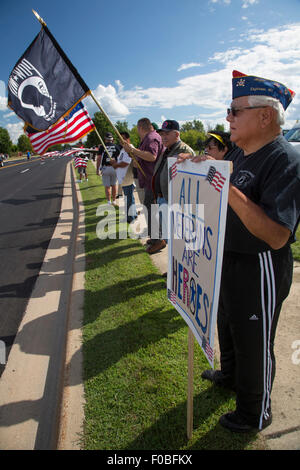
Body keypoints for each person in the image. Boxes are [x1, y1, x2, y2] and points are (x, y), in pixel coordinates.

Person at [195, 70, 300, 433]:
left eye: (235, 110)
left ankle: (256, 412)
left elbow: (276, 236)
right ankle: (230, 375)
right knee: (228, 323)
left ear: (265, 115)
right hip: (230, 259)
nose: (228, 118)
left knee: (254, 339)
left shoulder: (284, 159)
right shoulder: (240, 153)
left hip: (260, 266)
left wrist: (228, 190)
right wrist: (200, 172)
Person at [147, 119, 195, 254]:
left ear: (177, 134)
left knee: (176, 238)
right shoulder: (167, 150)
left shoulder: (184, 150)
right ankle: (168, 256)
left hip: (174, 201)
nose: (163, 137)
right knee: (169, 234)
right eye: (162, 134)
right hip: (163, 198)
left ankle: (174, 270)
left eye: (167, 134)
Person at [122, 118, 164, 239]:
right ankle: (154, 237)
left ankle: (157, 239)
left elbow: (152, 156)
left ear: (140, 128)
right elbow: (139, 161)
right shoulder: (146, 139)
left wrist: (133, 150)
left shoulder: (151, 138)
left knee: (151, 211)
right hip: (148, 180)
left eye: (137, 129)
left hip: (152, 180)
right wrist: (133, 154)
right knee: (149, 210)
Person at [110, 132, 137, 223]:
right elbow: (121, 160)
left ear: (128, 139)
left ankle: (130, 218)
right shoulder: (123, 149)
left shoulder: (129, 148)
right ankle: (134, 214)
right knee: (130, 197)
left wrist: (116, 164)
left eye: (123, 139)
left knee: (128, 198)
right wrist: (115, 162)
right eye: (120, 139)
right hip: (123, 177)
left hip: (127, 176)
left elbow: (126, 162)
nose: (121, 141)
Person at [96, 132, 121, 205]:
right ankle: (114, 201)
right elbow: (120, 157)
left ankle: (109, 202)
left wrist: (97, 169)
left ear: (105, 139)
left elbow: (99, 158)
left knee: (107, 186)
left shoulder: (102, 147)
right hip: (114, 167)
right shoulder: (116, 146)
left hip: (105, 167)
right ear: (112, 139)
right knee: (113, 185)